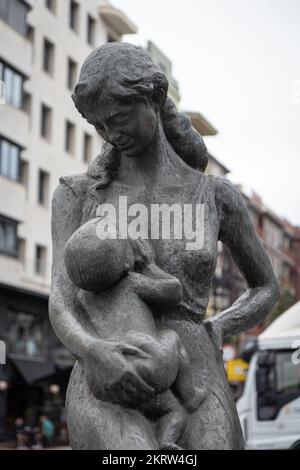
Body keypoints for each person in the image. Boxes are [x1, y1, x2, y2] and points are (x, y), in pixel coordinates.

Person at [49, 43, 279, 449]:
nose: (111, 135)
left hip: (196, 371)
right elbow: (61, 300)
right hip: (107, 368)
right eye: (99, 126)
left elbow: (265, 287)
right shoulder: (77, 195)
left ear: (154, 98)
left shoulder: (214, 195)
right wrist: (92, 353)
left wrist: (219, 327)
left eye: (119, 119)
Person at [64, 219, 205, 449]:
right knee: (173, 344)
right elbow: (173, 291)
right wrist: (149, 264)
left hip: (109, 378)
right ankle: (189, 396)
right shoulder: (131, 283)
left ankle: (162, 438)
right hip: (150, 360)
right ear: (125, 266)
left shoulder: (82, 299)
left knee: (163, 408)